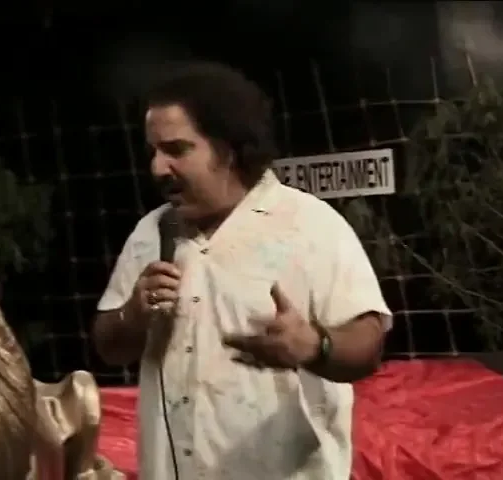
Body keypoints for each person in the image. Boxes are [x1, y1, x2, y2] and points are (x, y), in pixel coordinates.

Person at [92, 61, 392, 480]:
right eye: (153, 151)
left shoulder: (309, 225)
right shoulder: (150, 232)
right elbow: (108, 345)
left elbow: (368, 344)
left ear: (229, 149)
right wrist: (133, 314)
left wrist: (315, 346)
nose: (157, 167)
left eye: (177, 150)